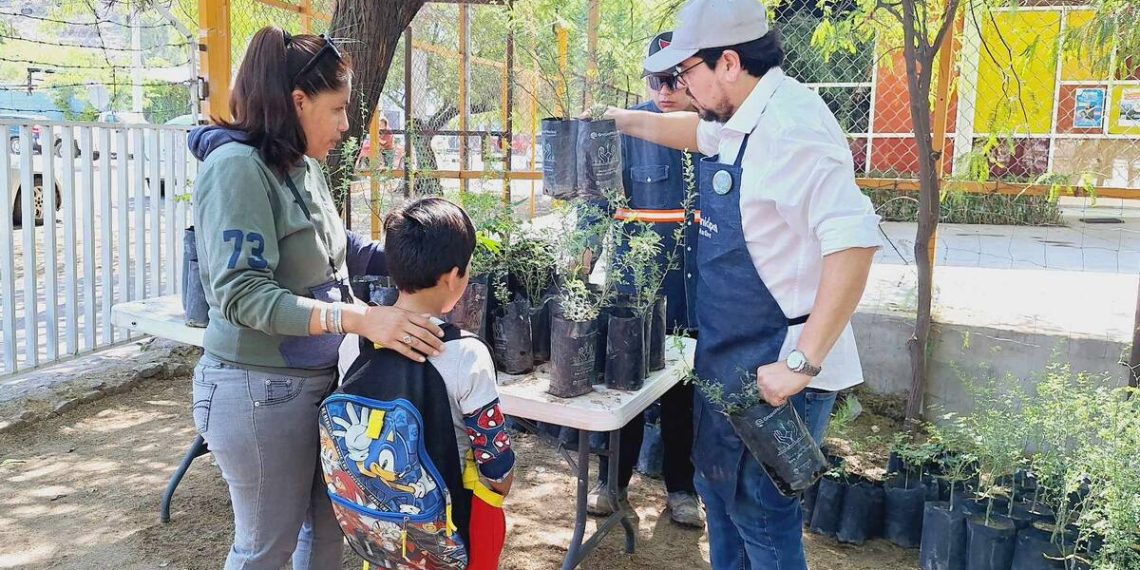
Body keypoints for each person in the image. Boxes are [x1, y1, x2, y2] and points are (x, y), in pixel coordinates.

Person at [604, 0, 882, 567]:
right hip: (729, 352)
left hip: (776, 364)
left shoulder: (793, 127)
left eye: (686, 75)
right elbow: (696, 135)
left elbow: (854, 243)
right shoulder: (743, 119)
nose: (682, 87)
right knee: (718, 497)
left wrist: (801, 365)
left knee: (761, 513)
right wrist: (621, 120)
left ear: (728, 63)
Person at [189, 26, 446, 569]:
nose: (347, 124)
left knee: (332, 533)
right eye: (337, 109)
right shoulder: (236, 169)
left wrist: (413, 255)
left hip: (319, 383)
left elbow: (335, 249)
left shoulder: (303, 165)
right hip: (258, 391)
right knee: (265, 548)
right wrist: (357, 318)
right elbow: (241, 293)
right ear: (298, 101)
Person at [583, 31, 705, 529]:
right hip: (634, 287)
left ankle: (682, 490)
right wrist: (583, 252)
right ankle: (611, 482)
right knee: (624, 385)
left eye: (673, 79)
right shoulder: (630, 129)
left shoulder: (716, 131)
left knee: (683, 396)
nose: (663, 91)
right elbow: (598, 200)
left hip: (694, 292)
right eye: (654, 80)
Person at [377, 196, 517, 568]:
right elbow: (496, 463)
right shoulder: (465, 353)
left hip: (382, 523)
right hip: (452, 528)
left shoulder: (355, 343)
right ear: (452, 277)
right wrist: (501, 485)